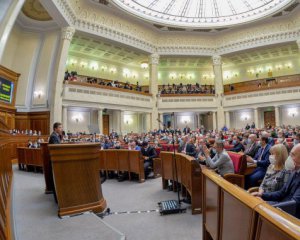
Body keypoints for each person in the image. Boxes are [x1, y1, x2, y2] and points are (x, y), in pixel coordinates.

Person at [254, 144, 300, 219]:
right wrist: (262, 195)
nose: (289, 158)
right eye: (290, 154)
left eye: (293, 155)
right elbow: (281, 192)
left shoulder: (290, 171)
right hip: (281, 206)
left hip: (292, 217)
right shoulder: (294, 171)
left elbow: (295, 204)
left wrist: (266, 205)